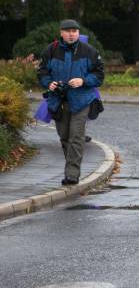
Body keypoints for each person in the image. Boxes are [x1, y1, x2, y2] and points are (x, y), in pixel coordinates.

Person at [37, 19, 104, 185]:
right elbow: (42, 72)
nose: (71, 34)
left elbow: (99, 75)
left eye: (74, 31)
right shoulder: (50, 51)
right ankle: (72, 165)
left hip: (82, 101)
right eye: (68, 31)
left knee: (76, 136)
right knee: (64, 136)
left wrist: (83, 81)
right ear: (61, 33)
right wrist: (49, 83)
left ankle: (72, 174)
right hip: (58, 101)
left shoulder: (90, 51)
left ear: (78, 33)